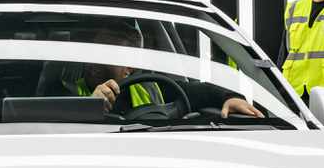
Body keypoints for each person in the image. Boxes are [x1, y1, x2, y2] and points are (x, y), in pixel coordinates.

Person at [64, 19, 263, 118]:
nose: (95, 61)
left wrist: (230, 98)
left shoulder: (153, 87)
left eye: (109, 54)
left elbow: (203, 91)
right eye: (93, 51)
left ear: (129, 67)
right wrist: (89, 106)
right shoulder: (64, 90)